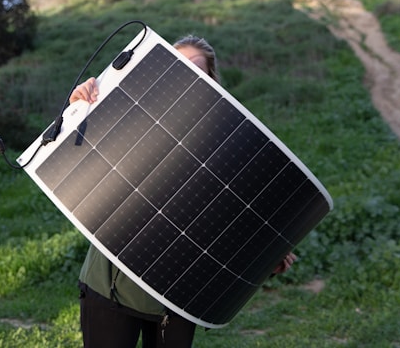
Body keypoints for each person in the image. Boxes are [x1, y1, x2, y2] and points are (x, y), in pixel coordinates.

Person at [70, 35, 297, 348]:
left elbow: (237, 211)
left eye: (196, 71)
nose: (186, 77)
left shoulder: (228, 141)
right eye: (176, 67)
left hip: (179, 296)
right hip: (113, 286)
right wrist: (80, 109)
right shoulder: (126, 116)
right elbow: (76, 169)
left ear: (211, 81)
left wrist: (264, 253)